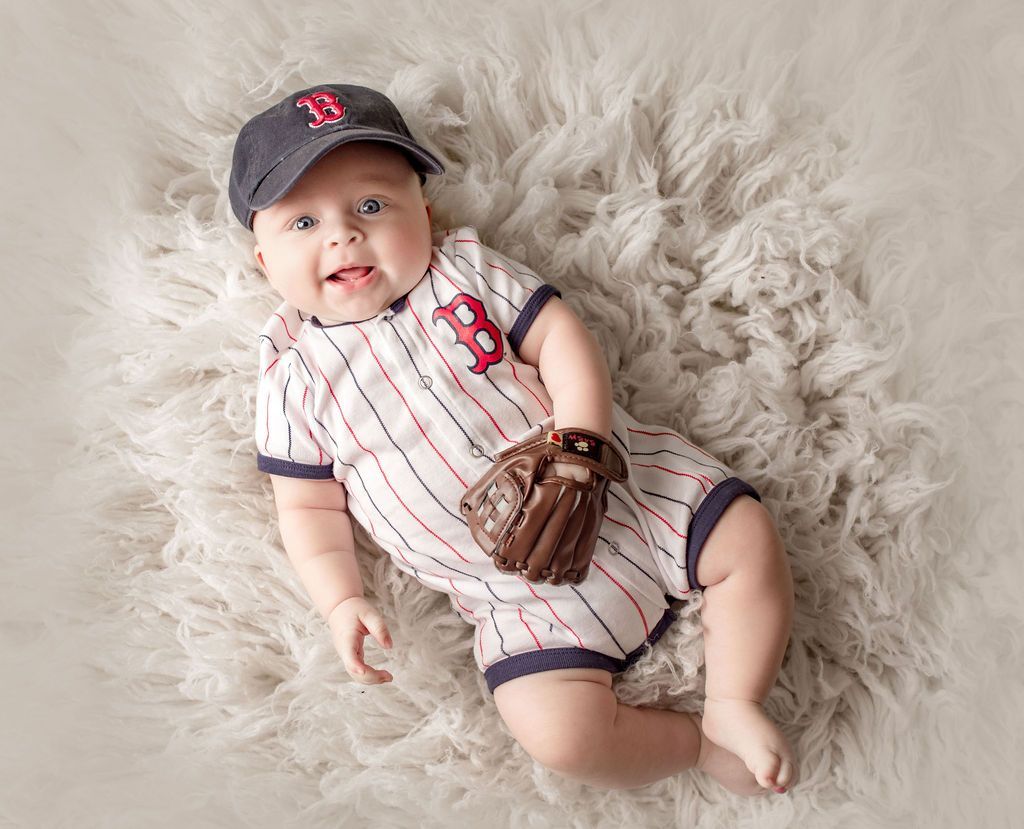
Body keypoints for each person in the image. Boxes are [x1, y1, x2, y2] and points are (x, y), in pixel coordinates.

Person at [229, 83, 798, 795]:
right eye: (303, 222)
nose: (344, 233)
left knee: (744, 533)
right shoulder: (293, 379)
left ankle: (733, 700)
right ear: (263, 263)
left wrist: (583, 438)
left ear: (425, 216)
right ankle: (697, 745)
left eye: (372, 206)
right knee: (557, 734)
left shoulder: (461, 272)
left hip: (626, 490)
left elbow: (560, 336)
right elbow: (306, 509)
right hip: (518, 598)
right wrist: (341, 600)